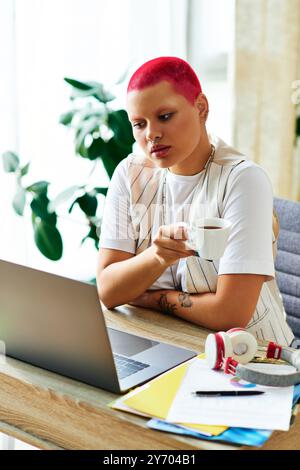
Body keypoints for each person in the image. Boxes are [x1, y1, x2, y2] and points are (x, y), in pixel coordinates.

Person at [96, 56, 295, 346]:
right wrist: (157, 256)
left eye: (164, 116)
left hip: (254, 358)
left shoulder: (244, 180)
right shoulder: (130, 174)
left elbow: (230, 314)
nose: (151, 134)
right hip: (168, 342)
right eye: (139, 124)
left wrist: (152, 298)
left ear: (200, 108)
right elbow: (109, 289)